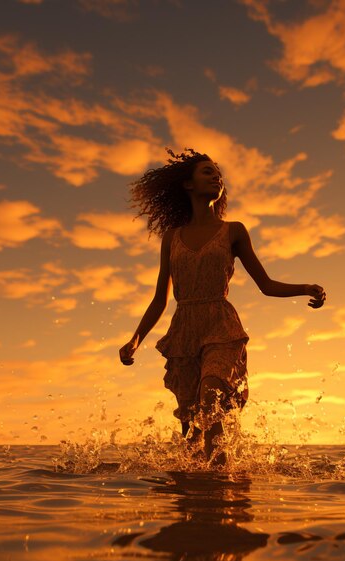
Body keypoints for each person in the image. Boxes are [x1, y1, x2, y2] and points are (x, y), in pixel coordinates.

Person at [119, 148, 326, 466]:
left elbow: (266, 285)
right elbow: (161, 298)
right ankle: (194, 493)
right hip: (184, 329)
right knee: (190, 428)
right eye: (207, 172)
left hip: (221, 325)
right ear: (188, 185)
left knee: (211, 396)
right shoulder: (172, 238)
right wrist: (135, 339)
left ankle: (219, 481)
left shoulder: (234, 231)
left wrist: (305, 288)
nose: (217, 177)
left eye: (218, 174)